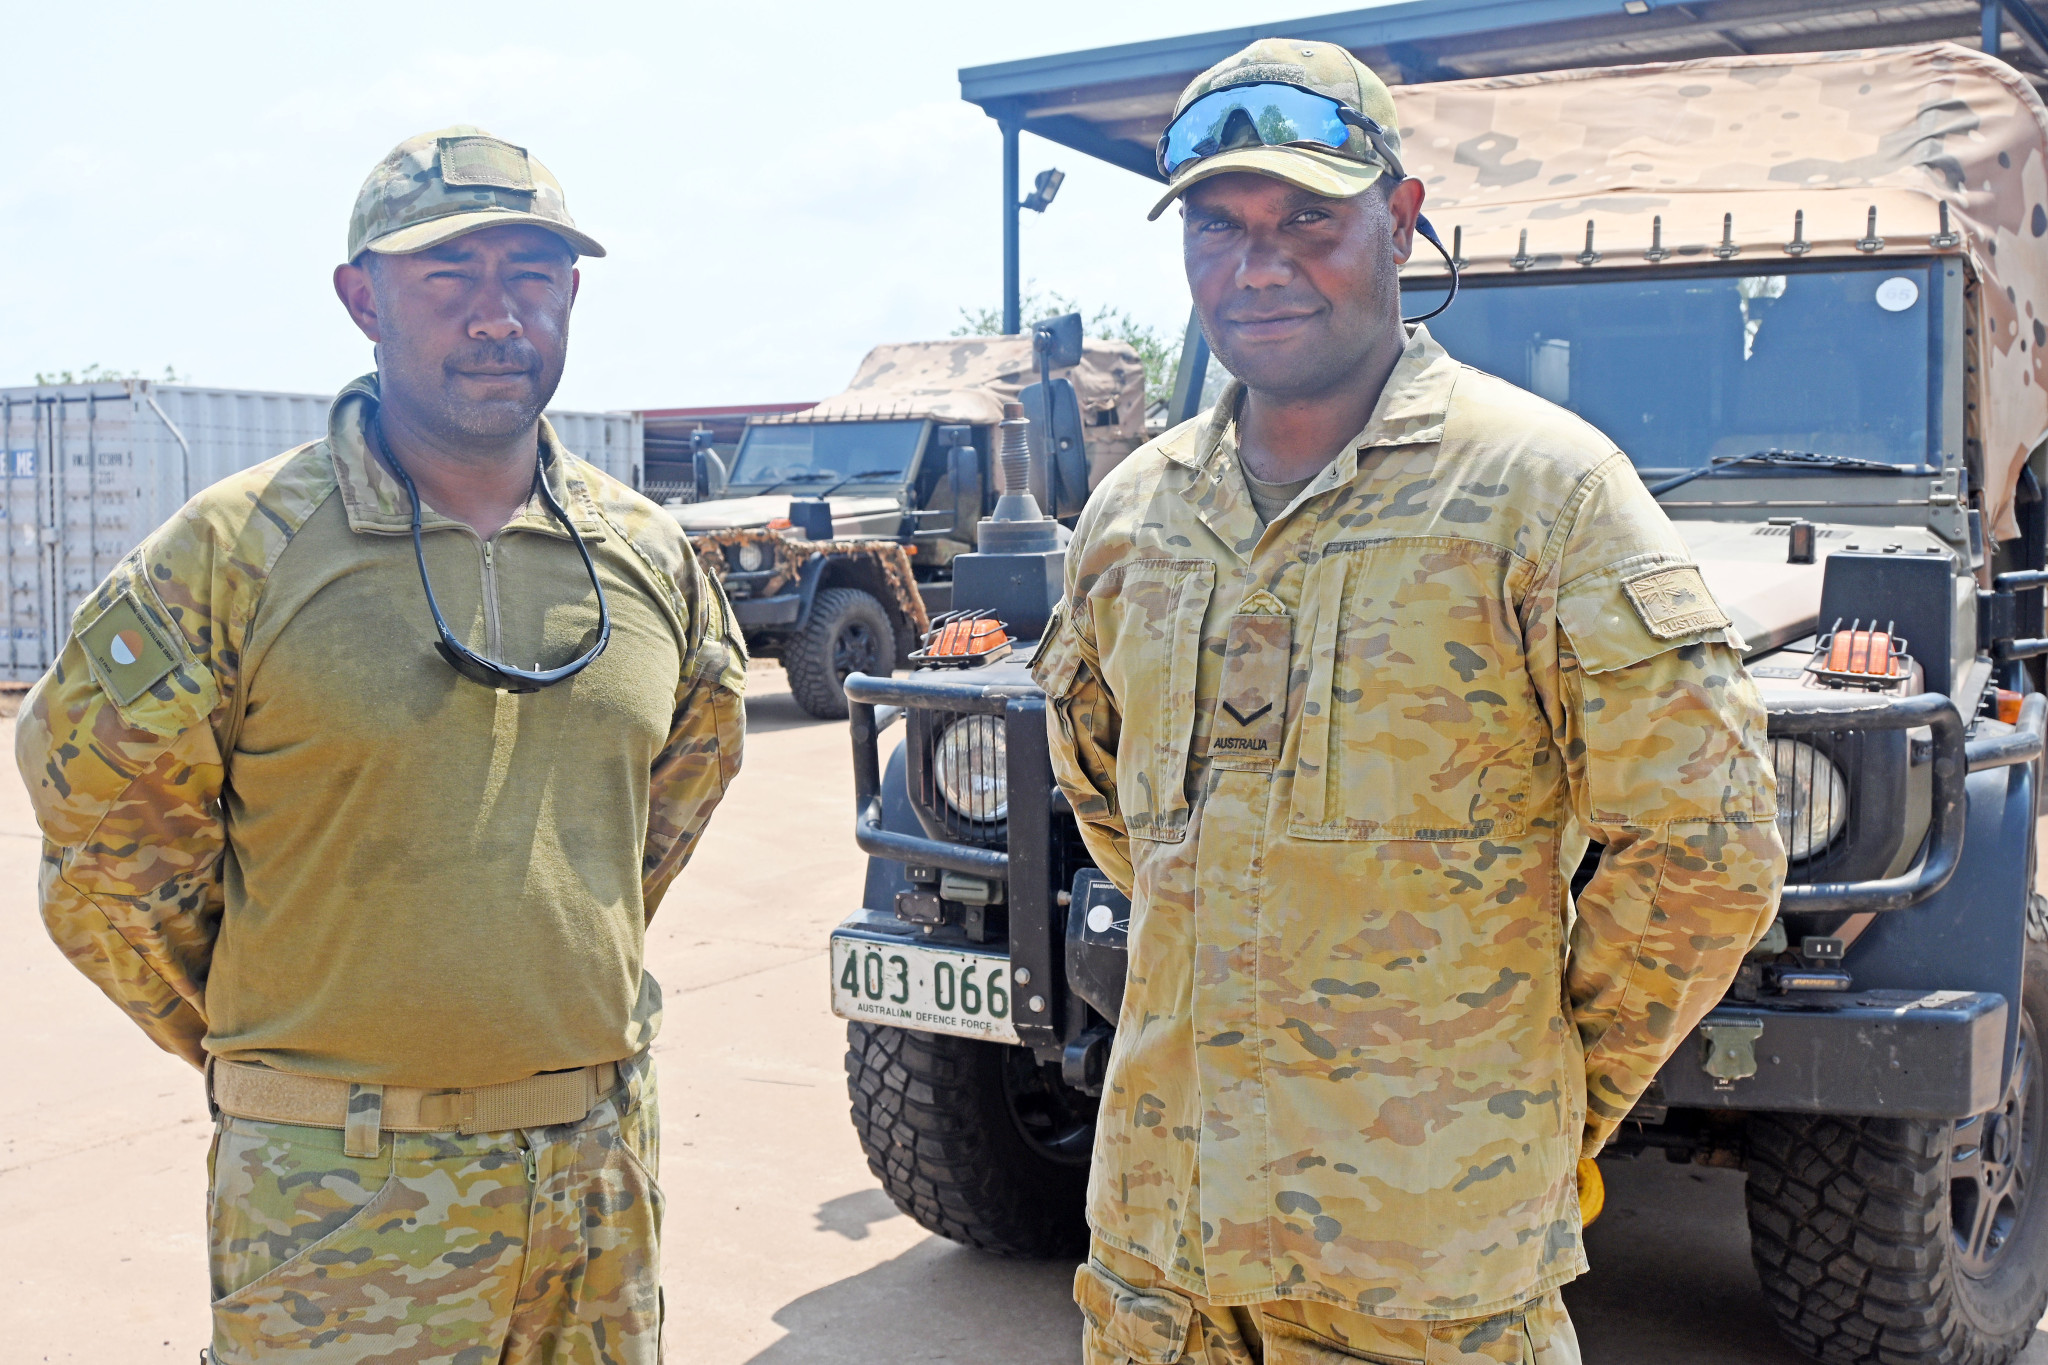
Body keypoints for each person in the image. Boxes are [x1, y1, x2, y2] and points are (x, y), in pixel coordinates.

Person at [1031, 40, 1785, 1365]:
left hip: (1424, 1276)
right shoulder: (1133, 518)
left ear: (1400, 217)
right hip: (1163, 1266)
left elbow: (1707, 853)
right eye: (1219, 226)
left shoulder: (1542, 496)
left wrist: (1535, 1099)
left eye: (1307, 219)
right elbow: (1113, 807)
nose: (1258, 264)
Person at [17, 126, 745, 1363]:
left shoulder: (648, 556)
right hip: (338, 1202)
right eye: (447, 277)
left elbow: (663, 810)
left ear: (571, 296)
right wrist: (287, 1030)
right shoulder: (233, 553)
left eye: (531, 275)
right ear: (362, 299)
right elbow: (107, 858)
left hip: (595, 1181)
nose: (497, 316)